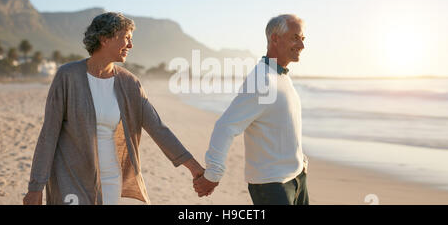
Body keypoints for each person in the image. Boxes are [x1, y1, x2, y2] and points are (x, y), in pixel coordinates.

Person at [23, 12, 204, 205]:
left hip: (111, 178)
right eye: (126, 38)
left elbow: (158, 129)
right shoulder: (68, 76)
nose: (130, 45)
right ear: (104, 38)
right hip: (71, 177)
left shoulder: (130, 83)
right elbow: (49, 134)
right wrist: (35, 187)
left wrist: (194, 168)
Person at [193, 14, 309, 205]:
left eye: (303, 39)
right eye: (295, 38)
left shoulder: (280, 76)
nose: (302, 46)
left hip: (297, 178)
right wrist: (213, 174)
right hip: (273, 185)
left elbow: (283, 124)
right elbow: (226, 126)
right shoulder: (261, 81)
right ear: (275, 38)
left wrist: (300, 160)